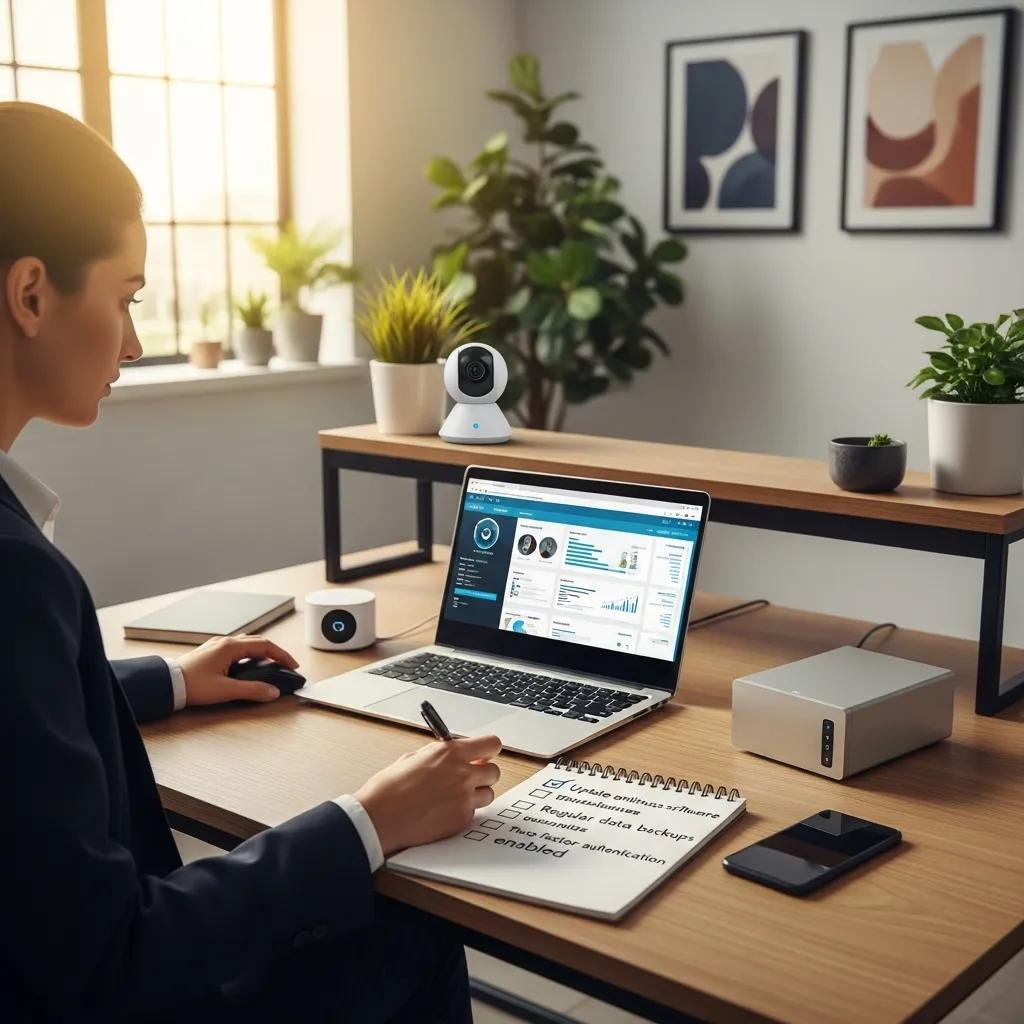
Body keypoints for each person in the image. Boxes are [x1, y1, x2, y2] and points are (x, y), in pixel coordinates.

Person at [0, 101, 501, 1022]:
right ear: (30, 294)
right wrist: (366, 822)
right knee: (407, 928)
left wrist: (171, 682)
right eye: (127, 299)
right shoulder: (13, 576)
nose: (137, 340)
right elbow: (113, 958)